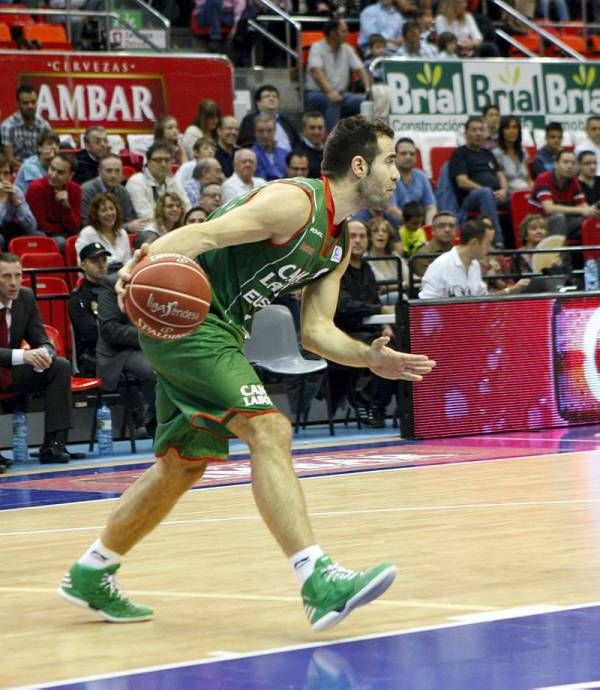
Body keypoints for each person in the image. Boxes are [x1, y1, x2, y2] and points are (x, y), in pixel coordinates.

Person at [58, 115, 435, 631]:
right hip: (191, 318)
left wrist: (369, 356)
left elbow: (316, 332)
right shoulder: (295, 202)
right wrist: (135, 267)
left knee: (182, 466)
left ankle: (91, 571)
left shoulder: (338, 242)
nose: (398, 172)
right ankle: (317, 579)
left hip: (221, 329)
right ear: (360, 164)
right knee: (269, 428)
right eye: (390, 161)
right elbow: (205, 233)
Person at [0, 252, 77, 464]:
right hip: (6, 365)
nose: (14, 283)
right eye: (6, 276)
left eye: (18, 275)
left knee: (59, 366)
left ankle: (53, 446)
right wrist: (24, 356)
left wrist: (45, 352)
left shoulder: (25, 297)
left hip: (12, 371)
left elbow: (41, 338)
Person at [420, 219, 528, 298]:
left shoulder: (474, 264)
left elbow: (484, 298)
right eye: (488, 243)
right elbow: (424, 306)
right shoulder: (441, 265)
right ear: (474, 243)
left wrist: (511, 290)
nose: (490, 248)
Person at [448, 117, 508, 247]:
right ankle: (497, 242)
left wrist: (503, 190)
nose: (478, 133)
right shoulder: (459, 153)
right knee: (485, 193)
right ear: (466, 133)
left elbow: (500, 175)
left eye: (481, 130)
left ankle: (523, 243)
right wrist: (487, 192)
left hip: (494, 195)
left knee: (520, 197)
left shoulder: (488, 153)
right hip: (470, 199)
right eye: (474, 130)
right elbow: (462, 181)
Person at [304, 19, 370, 132]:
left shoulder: (347, 49)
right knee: (333, 101)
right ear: (333, 33)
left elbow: (360, 69)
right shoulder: (317, 47)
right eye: (344, 31)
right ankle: (333, 142)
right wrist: (330, 92)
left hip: (342, 94)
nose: (347, 34)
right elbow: (316, 71)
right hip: (316, 94)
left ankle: (365, 139)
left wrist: (368, 90)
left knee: (365, 102)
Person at [528, 148, 599, 240]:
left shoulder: (573, 181)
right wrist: (583, 210)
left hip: (564, 223)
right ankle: (559, 254)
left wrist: (591, 211)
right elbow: (549, 209)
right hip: (538, 223)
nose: (570, 166)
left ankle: (593, 254)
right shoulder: (543, 178)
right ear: (555, 164)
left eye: (573, 163)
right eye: (565, 162)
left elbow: (583, 206)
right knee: (558, 218)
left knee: (591, 222)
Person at [68, 241, 111, 376]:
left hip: (118, 349)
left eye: (104, 260)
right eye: (94, 261)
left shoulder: (115, 291)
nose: (101, 264)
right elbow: (91, 334)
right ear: (83, 265)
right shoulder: (78, 297)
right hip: (94, 355)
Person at [25, 153, 81, 252]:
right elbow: (40, 225)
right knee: (61, 241)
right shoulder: (36, 188)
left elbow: (75, 227)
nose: (53, 175)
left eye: (60, 172)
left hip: (65, 233)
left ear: (71, 175)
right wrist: (64, 228)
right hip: (42, 234)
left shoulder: (75, 189)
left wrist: (66, 207)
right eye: (52, 169)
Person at [81, 154, 146, 234]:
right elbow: (87, 224)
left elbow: (129, 219)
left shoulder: (122, 191)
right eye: (109, 171)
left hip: (118, 235)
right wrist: (126, 227)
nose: (113, 175)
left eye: (117, 171)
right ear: (99, 171)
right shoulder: (87, 190)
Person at [125, 142, 190, 220]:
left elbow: (187, 207)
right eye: (158, 160)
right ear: (148, 162)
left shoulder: (172, 180)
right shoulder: (136, 182)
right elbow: (146, 216)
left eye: (167, 160)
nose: (163, 164)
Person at [387, 137, 437, 227]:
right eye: (403, 153)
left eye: (412, 154)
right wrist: (413, 224)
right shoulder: (387, 176)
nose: (408, 157)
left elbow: (430, 207)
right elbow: (391, 209)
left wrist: (428, 227)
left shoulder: (422, 176)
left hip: (416, 225)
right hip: (393, 227)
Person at [238, 85, 300, 153]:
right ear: (258, 103)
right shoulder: (250, 120)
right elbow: (247, 144)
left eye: (275, 96)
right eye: (267, 96)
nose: (272, 99)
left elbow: (297, 143)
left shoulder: (285, 121)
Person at [77, 192, 132, 268]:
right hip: (99, 276)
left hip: (122, 275)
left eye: (112, 209)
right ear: (96, 215)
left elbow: (128, 262)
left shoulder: (122, 233)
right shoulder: (88, 233)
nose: (109, 213)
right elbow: (82, 265)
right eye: (104, 210)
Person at [1, 84, 51, 165]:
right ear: (18, 104)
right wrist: (29, 170)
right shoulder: (7, 126)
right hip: (17, 173)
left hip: (40, 172)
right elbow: (9, 160)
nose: (30, 106)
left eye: (33, 102)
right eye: (25, 103)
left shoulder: (44, 125)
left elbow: (50, 155)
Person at [365, 216, 407, 304]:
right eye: (375, 231)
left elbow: (408, 278)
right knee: (401, 298)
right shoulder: (365, 258)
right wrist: (401, 285)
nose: (380, 234)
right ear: (369, 236)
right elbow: (380, 287)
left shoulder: (395, 256)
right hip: (376, 300)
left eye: (384, 231)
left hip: (399, 296)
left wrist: (395, 286)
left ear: (389, 236)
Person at [0, 154, 38, 248]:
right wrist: (2, 201)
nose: (1, 178)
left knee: (38, 236)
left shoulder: (15, 191)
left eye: (6, 173)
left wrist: (17, 203)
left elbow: (31, 227)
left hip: (9, 230)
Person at [412, 211, 458, 278]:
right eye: (441, 226)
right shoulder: (423, 255)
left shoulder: (459, 252)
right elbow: (429, 283)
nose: (447, 229)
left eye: (451, 226)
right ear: (432, 230)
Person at [492, 115, 532, 192]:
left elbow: (529, 179)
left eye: (515, 127)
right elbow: (503, 182)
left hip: (526, 191)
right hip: (509, 193)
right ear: (502, 132)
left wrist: (533, 190)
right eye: (507, 128)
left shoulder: (523, 152)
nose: (512, 131)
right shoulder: (496, 154)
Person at [14, 130, 60, 194]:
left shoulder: (57, 165)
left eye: (57, 144)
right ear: (39, 148)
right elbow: (46, 190)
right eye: (50, 144)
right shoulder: (29, 166)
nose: (54, 147)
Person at [251, 114, 288, 181]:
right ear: (255, 133)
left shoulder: (285, 153)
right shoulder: (251, 155)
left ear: (275, 131)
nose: (265, 135)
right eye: (261, 131)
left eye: (269, 130)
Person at [297, 112, 326, 179]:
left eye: (320, 128)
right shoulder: (298, 153)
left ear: (324, 129)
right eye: (312, 128)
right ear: (304, 130)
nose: (316, 132)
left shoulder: (331, 152)